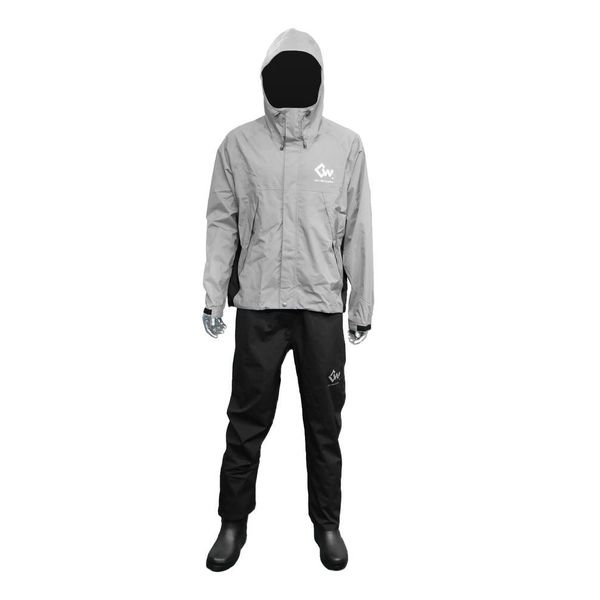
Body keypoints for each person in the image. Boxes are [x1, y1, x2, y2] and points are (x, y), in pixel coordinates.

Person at [203, 28, 374, 571]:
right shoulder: (239, 145)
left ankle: (327, 524)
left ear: (320, 80)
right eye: (283, 72)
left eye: (304, 73)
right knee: (245, 420)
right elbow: (222, 222)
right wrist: (213, 294)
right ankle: (233, 522)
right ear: (265, 78)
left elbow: (358, 229)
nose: (293, 82)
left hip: (321, 305)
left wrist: (361, 305)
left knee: (325, 424)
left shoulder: (345, 147)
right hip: (259, 305)